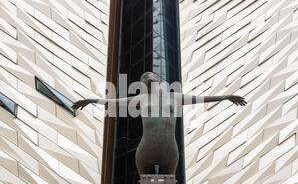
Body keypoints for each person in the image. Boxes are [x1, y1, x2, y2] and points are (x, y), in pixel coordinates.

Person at [73, 72, 247, 175]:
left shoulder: (174, 97)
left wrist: (226, 97)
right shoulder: (141, 98)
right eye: (144, 77)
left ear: (158, 79)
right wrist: (91, 100)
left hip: (170, 150)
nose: (147, 76)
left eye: (150, 74)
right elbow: (114, 102)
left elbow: (200, 99)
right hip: (145, 150)